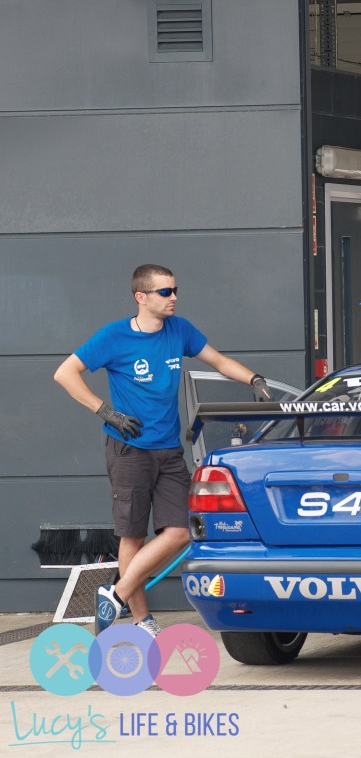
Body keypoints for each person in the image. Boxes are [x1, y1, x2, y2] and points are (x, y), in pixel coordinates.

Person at [53, 263, 276, 637]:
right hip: (129, 449)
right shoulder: (114, 337)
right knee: (132, 536)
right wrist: (105, 411)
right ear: (141, 297)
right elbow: (65, 373)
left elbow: (218, 361)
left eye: (175, 290)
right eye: (165, 292)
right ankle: (142, 620)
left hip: (169, 450)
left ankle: (116, 593)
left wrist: (254, 378)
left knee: (182, 531)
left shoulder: (180, 330)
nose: (173, 297)